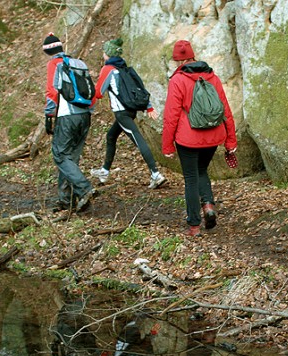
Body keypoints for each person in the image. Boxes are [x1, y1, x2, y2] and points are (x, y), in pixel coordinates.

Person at [162, 40, 237, 237]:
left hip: (188, 138)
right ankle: (209, 206)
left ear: (178, 62)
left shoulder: (177, 80)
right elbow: (226, 111)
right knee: (201, 169)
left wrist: (167, 145)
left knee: (191, 178)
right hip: (214, 136)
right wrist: (231, 141)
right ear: (193, 57)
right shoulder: (213, 78)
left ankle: (194, 225)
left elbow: (171, 116)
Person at [90, 38, 166, 189]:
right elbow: (137, 88)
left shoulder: (108, 69)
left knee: (138, 140)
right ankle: (104, 172)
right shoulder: (123, 68)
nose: (103, 54)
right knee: (111, 136)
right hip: (129, 111)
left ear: (108, 54)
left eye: (104, 51)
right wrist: (148, 107)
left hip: (121, 113)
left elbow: (98, 93)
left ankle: (156, 174)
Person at [43, 33, 95, 212]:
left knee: (60, 155)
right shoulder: (79, 63)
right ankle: (66, 200)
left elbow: (52, 92)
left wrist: (49, 115)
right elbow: (91, 90)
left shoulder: (54, 64)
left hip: (67, 116)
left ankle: (85, 189)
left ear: (47, 51)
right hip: (85, 115)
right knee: (70, 158)